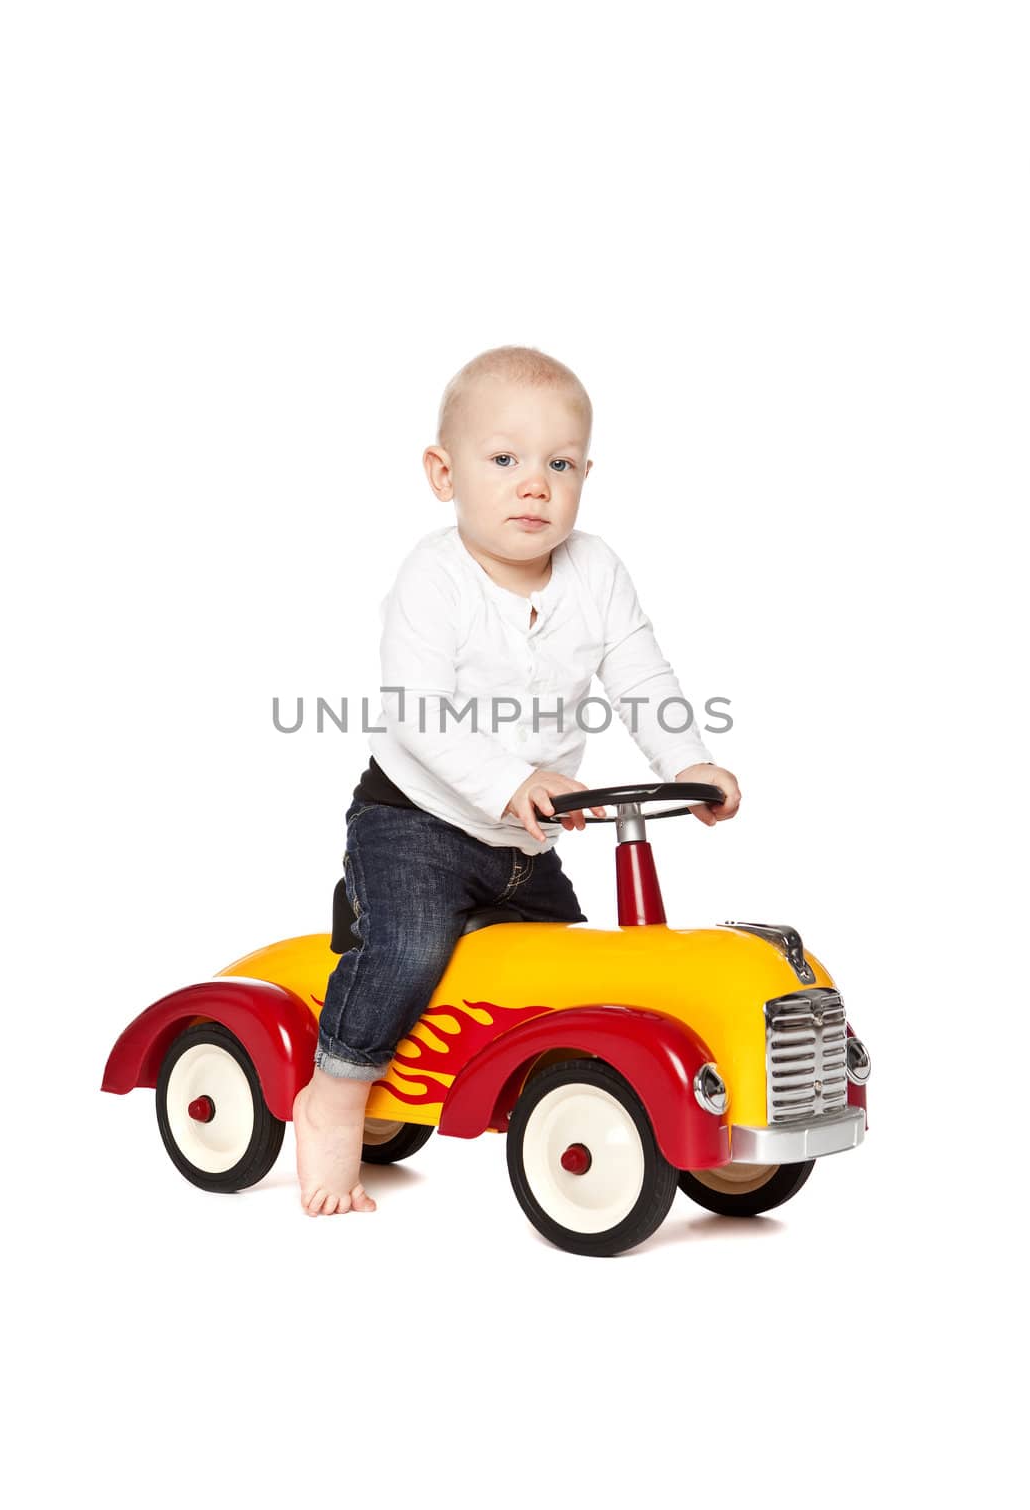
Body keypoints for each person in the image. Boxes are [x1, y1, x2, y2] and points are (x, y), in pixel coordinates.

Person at [292, 345, 741, 1216]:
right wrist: (508, 777)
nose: (534, 485)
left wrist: (685, 763)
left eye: (559, 464)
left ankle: (577, 1105)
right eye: (504, 461)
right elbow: (417, 712)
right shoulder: (435, 576)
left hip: (522, 837)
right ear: (442, 472)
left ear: (584, 476)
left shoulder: (596, 570)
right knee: (411, 947)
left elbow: (641, 676)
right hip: (413, 820)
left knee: (568, 970)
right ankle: (337, 1092)